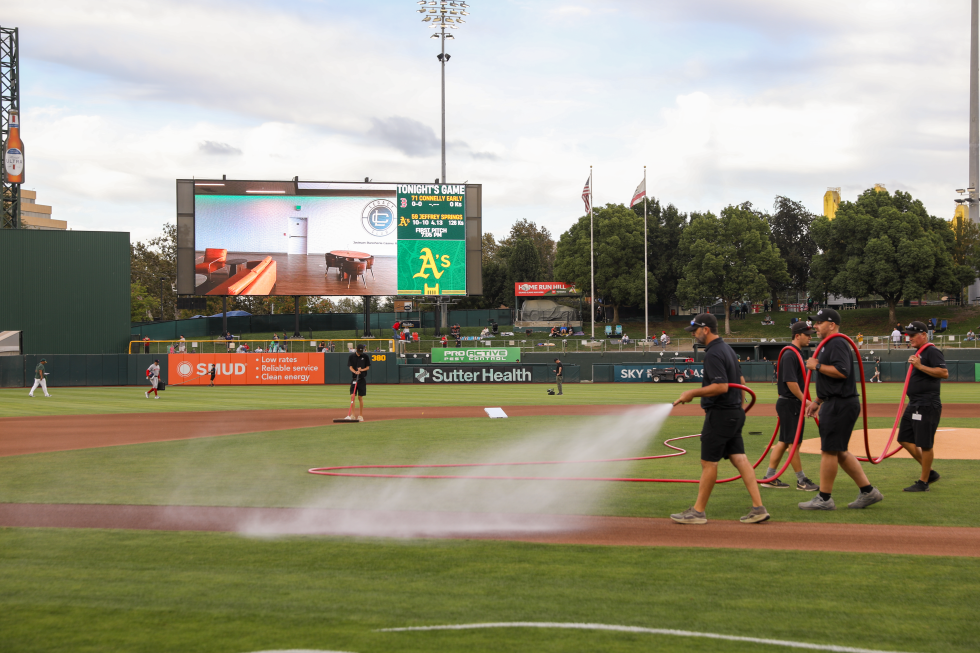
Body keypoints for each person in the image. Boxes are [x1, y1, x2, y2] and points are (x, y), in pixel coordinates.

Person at [670, 313, 770, 525]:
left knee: (708, 462)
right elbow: (741, 381)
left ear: (706, 330)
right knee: (739, 458)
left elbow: (721, 386)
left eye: (696, 330)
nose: (694, 334)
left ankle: (697, 512)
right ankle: (758, 508)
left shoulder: (714, 353)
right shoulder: (728, 349)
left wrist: (692, 393)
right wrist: (738, 407)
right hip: (734, 412)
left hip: (721, 414)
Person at [799, 308, 883, 510]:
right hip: (837, 402)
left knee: (829, 451)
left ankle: (824, 499)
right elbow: (832, 381)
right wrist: (817, 401)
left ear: (832, 324)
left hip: (840, 404)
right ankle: (868, 492)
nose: (815, 326)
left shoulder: (836, 342)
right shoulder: (829, 344)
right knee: (840, 451)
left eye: (819, 323)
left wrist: (816, 366)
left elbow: (842, 372)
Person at [760, 321, 820, 491]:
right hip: (790, 403)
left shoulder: (795, 354)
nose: (809, 337)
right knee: (793, 443)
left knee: (785, 442)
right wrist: (807, 402)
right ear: (797, 335)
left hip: (790, 403)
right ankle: (801, 481)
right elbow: (791, 382)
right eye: (806, 334)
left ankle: (769, 477)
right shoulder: (790, 354)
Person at [897, 321, 948, 492]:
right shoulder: (919, 352)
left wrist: (919, 366)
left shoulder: (932, 351)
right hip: (914, 403)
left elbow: (944, 373)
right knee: (903, 438)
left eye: (912, 335)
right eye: (908, 335)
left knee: (925, 443)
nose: (909, 338)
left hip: (926, 404)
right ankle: (930, 472)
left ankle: (923, 481)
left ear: (923, 335)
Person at [346, 343, 371, 421]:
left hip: (362, 379)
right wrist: (355, 372)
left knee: (360, 397)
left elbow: (367, 367)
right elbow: (350, 367)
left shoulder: (365, 356)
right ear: (356, 349)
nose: (360, 354)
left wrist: (361, 370)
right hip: (354, 379)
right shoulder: (351, 356)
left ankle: (360, 415)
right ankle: (352, 415)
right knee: (352, 396)